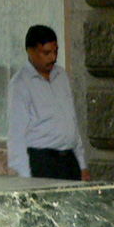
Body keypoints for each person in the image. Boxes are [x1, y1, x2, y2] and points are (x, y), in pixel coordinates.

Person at [7, 24, 91, 182]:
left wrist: (81, 165)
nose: (53, 58)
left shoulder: (62, 76)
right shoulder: (21, 83)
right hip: (42, 162)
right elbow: (16, 136)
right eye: (46, 53)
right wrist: (25, 178)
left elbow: (71, 121)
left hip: (68, 160)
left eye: (55, 51)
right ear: (30, 51)